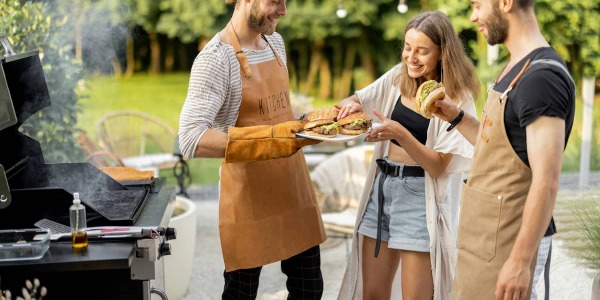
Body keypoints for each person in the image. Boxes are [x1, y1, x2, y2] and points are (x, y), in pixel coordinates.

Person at [178, 0, 326, 299]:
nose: (283, 11)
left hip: (291, 184)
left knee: (310, 288)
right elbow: (191, 138)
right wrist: (272, 138)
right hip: (248, 194)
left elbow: (278, 110)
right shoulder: (215, 59)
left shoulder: (275, 42)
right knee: (241, 294)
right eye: (275, 2)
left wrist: (315, 123)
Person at [433, 0, 576, 299]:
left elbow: (546, 181)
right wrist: (455, 116)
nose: (473, 17)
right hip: (484, 240)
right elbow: (497, 147)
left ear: (506, 3)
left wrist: (520, 262)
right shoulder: (514, 67)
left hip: (509, 244)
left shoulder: (542, 79)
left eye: (477, 5)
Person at [336, 11, 480, 300]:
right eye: (407, 47)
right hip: (381, 190)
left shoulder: (456, 98)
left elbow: (438, 167)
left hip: (418, 198)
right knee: (372, 295)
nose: (411, 58)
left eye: (422, 51)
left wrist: (400, 133)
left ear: (442, 53)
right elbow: (355, 99)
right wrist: (349, 106)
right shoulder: (397, 78)